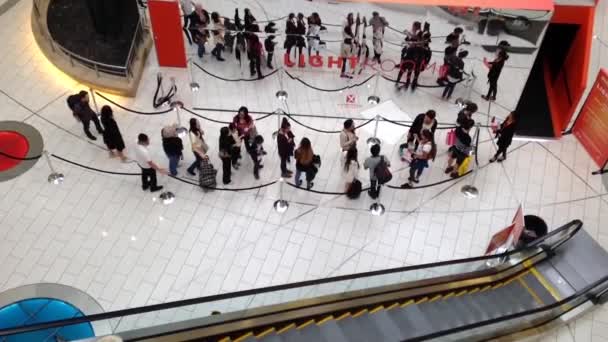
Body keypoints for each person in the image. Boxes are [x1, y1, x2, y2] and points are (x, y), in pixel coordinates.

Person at [340, 13, 355, 78]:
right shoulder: (347, 28)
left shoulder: (346, 27)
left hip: (345, 44)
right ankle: (346, 73)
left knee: (345, 60)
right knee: (347, 60)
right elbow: (351, 35)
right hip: (347, 45)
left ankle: (343, 72)